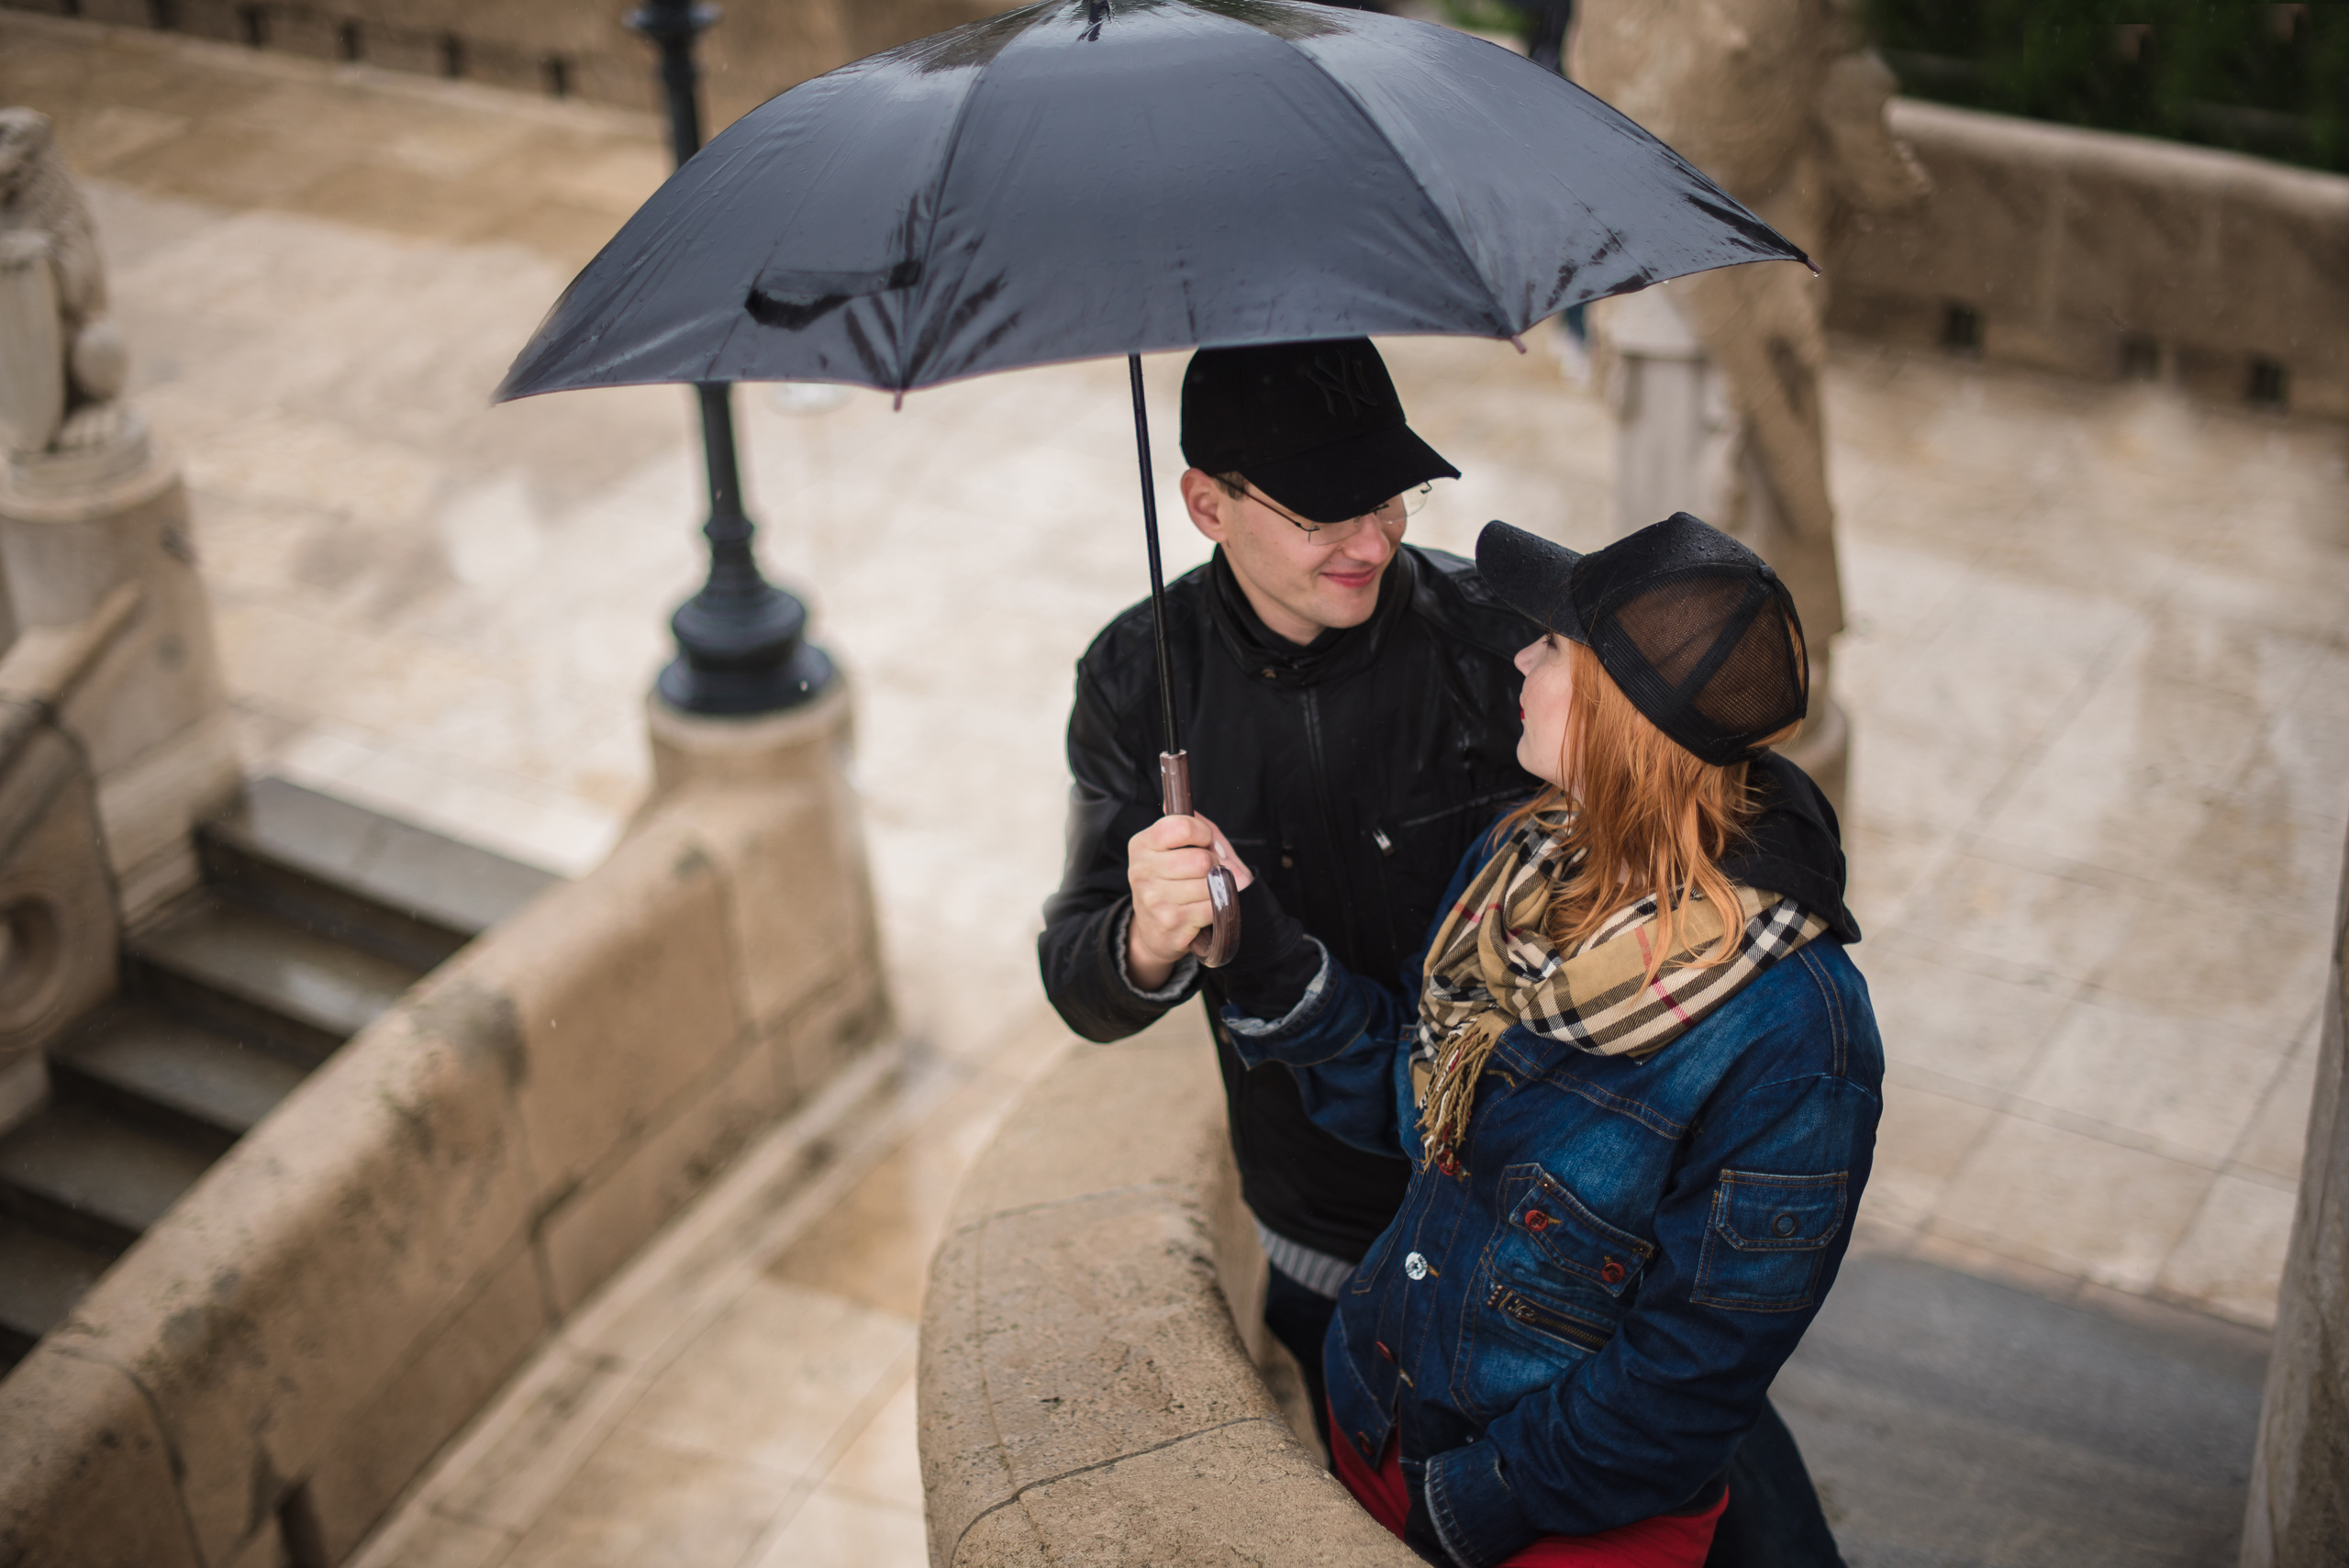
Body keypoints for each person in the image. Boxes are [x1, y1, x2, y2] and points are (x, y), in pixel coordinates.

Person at [1037, 339, 1851, 1565]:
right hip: (1340, 1258)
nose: (1370, 536)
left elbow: (1708, 779)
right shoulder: (1132, 680)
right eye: (1322, 509)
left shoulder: (1494, 643)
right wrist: (1150, 943)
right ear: (1205, 503)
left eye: (1390, 492)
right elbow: (1083, 978)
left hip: (1571, 1273)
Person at [1218, 513, 1880, 1568]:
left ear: (1620, 716)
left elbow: (1694, 1369)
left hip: (1555, 1523)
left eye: (1551, 648)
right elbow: (1421, 1121)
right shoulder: (1519, 863)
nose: (1519, 657)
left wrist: (1475, 1503)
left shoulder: (1798, 1036)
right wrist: (1265, 956)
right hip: (1374, 1416)